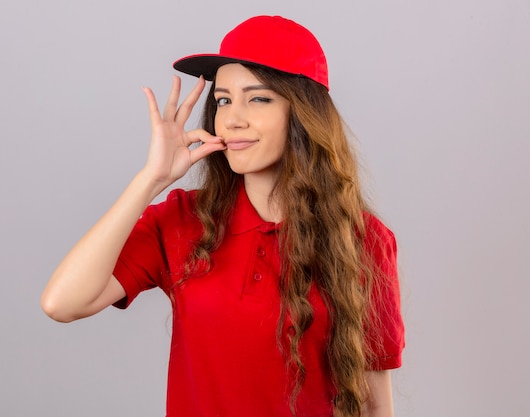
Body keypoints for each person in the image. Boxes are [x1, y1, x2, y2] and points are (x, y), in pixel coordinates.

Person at [41, 15, 405, 417]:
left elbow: (374, 403)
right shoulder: (183, 220)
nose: (232, 118)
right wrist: (151, 179)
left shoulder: (364, 239)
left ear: (303, 113)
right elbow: (62, 302)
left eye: (259, 98)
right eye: (224, 100)